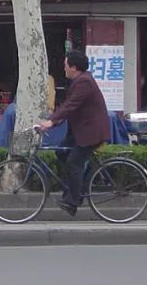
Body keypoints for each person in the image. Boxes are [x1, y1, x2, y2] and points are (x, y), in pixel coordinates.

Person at [39, 50, 109, 217]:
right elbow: (68, 106)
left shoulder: (84, 82)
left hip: (91, 132)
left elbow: (71, 105)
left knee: (73, 163)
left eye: (65, 65)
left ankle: (73, 201)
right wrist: (53, 119)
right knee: (61, 152)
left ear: (74, 67)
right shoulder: (80, 80)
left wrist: (51, 122)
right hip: (81, 131)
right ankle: (77, 187)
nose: (64, 68)